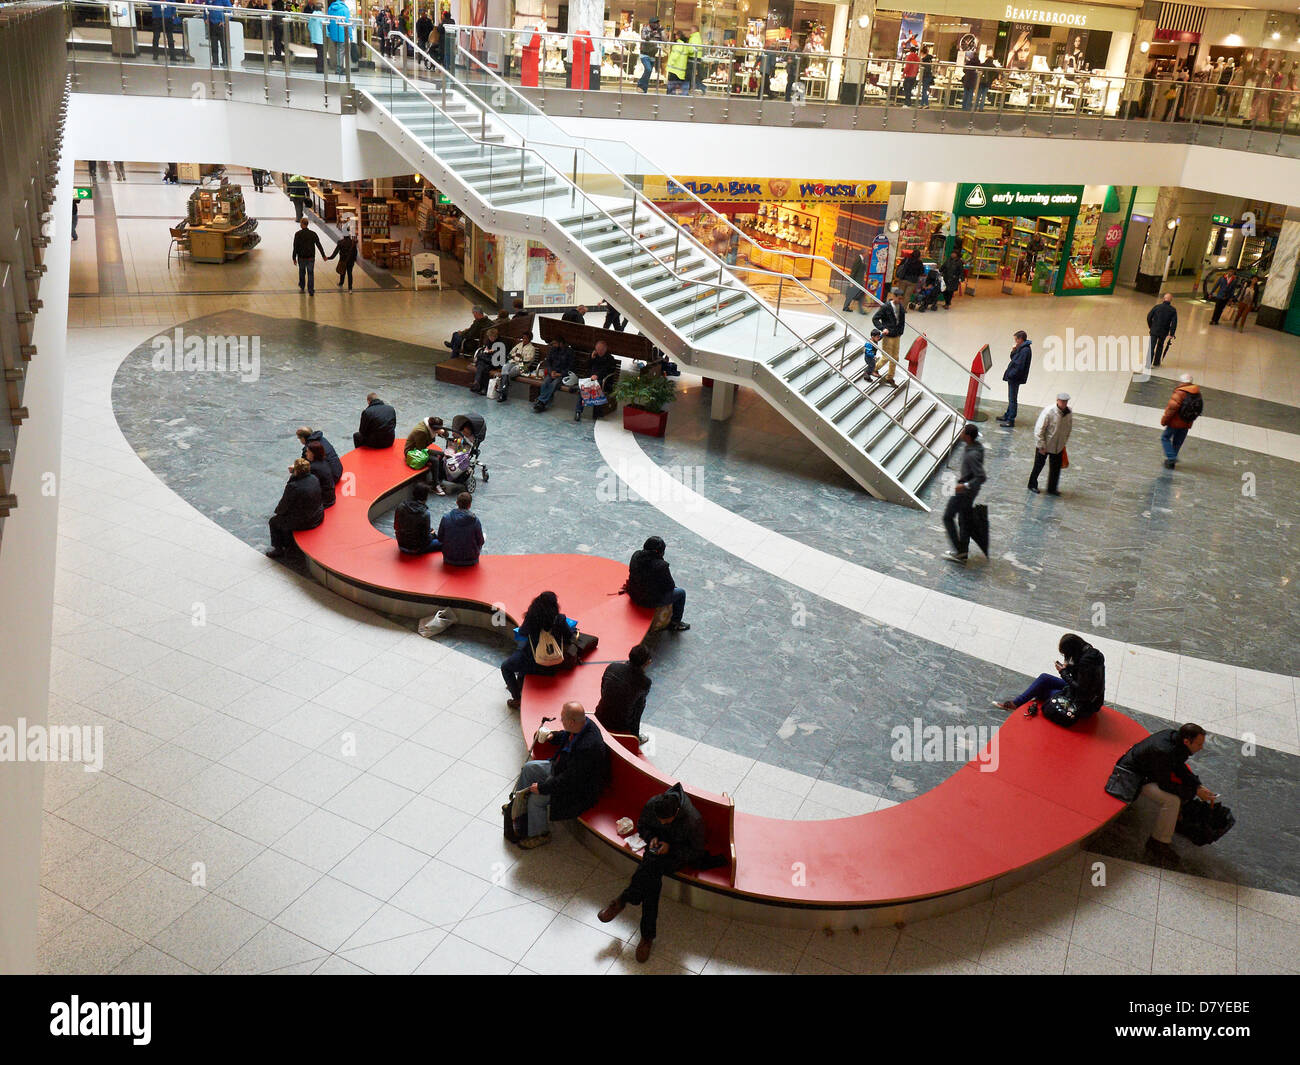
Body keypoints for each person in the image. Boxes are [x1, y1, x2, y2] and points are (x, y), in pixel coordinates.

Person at [598, 783, 709, 964]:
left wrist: (670, 848)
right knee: (651, 882)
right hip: (655, 850)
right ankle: (647, 936)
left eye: (666, 822)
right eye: (660, 821)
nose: (662, 824)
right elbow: (643, 825)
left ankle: (623, 900)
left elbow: (696, 851)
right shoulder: (654, 805)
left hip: (676, 855)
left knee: (649, 870)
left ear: (676, 813)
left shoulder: (692, 820)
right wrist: (651, 838)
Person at [1111, 723, 1217, 862]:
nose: (1201, 748)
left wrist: (1197, 785)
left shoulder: (1174, 738)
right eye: (1198, 744)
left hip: (1149, 771)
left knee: (1182, 790)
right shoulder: (1164, 751)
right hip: (1134, 776)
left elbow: (1178, 765)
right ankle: (1158, 842)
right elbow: (1165, 784)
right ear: (1187, 741)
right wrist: (1194, 792)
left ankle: (1172, 822)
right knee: (1172, 801)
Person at [511, 702, 610, 848]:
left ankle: (540, 834)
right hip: (562, 769)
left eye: (562, 718)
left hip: (578, 789)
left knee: (536, 799)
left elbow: (569, 779)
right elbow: (566, 735)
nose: (560, 720)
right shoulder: (582, 725)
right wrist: (553, 736)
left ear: (571, 721)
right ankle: (517, 805)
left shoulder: (588, 748)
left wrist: (543, 788)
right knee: (529, 768)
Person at [994, 633, 1106, 723]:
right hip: (1084, 694)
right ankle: (1016, 703)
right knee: (1044, 678)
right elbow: (1084, 677)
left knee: (1043, 691)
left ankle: (1018, 703)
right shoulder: (1090, 651)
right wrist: (1070, 667)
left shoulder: (1086, 663)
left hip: (1084, 704)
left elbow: (1080, 688)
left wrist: (1063, 672)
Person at [501, 591, 573, 710]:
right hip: (553, 664)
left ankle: (517, 698)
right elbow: (568, 636)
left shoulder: (532, 617)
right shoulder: (560, 619)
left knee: (506, 667)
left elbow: (523, 632)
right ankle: (520, 683)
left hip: (532, 661)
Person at [625, 536, 689, 631]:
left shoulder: (636, 555)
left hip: (634, 594)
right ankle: (675, 622)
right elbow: (670, 586)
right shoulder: (661, 566)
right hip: (649, 601)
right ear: (659, 551)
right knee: (681, 593)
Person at [942, 423, 985, 565]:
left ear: (967, 436)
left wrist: (964, 485)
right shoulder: (976, 447)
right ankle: (963, 552)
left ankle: (959, 550)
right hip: (969, 491)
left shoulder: (972, 454)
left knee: (948, 517)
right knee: (964, 520)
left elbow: (981, 476)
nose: (960, 433)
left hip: (964, 492)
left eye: (963, 431)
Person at [266, 457, 324, 559]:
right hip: (317, 515)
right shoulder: (314, 478)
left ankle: (278, 549)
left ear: (296, 470)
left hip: (305, 521)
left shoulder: (293, 486)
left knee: (274, 522)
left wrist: (278, 512)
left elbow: (284, 505)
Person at [595, 644, 653, 744]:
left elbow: (603, 689)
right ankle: (635, 737)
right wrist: (634, 737)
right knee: (639, 705)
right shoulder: (645, 682)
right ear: (647, 662)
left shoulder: (613, 667)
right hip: (621, 726)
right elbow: (637, 711)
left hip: (600, 716)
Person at [1028, 393, 1072, 496]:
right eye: (1062, 401)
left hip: (1058, 446)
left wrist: (1063, 442)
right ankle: (1032, 484)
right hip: (1045, 445)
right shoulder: (1049, 411)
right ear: (1057, 400)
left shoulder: (1068, 413)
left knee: (1055, 468)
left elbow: (1068, 428)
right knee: (1038, 465)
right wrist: (1041, 445)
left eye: (1065, 401)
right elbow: (1039, 429)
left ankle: (1052, 488)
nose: (1064, 403)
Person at [1160, 373, 1202, 469]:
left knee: (1165, 438)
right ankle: (1171, 463)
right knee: (1178, 442)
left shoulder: (1180, 392)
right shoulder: (1197, 393)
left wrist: (1164, 420)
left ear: (1181, 382)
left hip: (1175, 422)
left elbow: (1171, 408)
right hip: (1187, 422)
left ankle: (1171, 457)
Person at [575, 341, 618, 422]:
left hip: (604, 381)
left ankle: (581, 411)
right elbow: (586, 366)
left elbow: (607, 370)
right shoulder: (594, 355)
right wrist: (591, 358)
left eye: (601, 350)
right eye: (597, 349)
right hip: (590, 379)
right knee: (585, 388)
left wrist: (597, 375)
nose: (599, 351)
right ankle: (579, 411)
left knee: (585, 388)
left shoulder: (610, 359)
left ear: (605, 349)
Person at [870, 287, 906, 384]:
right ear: (894, 296)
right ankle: (874, 368)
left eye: (901, 299)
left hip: (896, 335)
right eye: (899, 298)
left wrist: (900, 332)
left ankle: (890, 376)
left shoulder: (901, 308)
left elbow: (902, 322)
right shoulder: (886, 307)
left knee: (895, 357)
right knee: (886, 357)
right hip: (888, 335)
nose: (900, 300)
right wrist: (882, 328)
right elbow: (875, 319)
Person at [437, 491, 484, 566]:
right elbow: (481, 541)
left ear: (456, 502)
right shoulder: (475, 521)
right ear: (470, 505)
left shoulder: (446, 518)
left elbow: (440, 538)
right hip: (471, 559)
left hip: (449, 558)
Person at [997, 330, 1032, 428]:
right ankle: (1007, 415)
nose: (1015, 341)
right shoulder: (1021, 348)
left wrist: (1011, 375)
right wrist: (1014, 350)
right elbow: (1013, 358)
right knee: (1011, 398)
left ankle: (1011, 420)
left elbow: (1019, 366)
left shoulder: (1025, 350)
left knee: (1013, 399)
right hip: (1014, 377)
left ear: (1021, 339)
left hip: (1015, 378)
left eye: (1016, 340)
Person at [394, 482, 440, 554]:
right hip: (416, 548)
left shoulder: (401, 506)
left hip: (401, 544)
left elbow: (396, 526)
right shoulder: (425, 513)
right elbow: (426, 538)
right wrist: (432, 535)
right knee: (443, 541)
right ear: (426, 497)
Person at [532, 338, 574, 412]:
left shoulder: (569, 352)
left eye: (555, 343)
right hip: (552, 373)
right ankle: (542, 403)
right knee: (545, 382)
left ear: (560, 343)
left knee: (554, 384)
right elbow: (548, 362)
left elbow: (570, 367)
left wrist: (560, 374)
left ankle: (541, 401)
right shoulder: (553, 350)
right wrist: (551, 371)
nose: (553, 345)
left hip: (562, 375)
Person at [291, 218, 327, 296]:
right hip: (311, 257)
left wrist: (294, 258)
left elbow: (295, 247)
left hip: (301, 257)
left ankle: (302, 286)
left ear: (302, 224)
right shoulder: (313, 234)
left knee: (302, 272)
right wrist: (323, 255)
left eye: (301, 223)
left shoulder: (298, 234)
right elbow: (318, 245)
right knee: (310, 273)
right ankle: (311, 290)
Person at [471, 327, 507, 395]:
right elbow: (486, 350)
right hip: (488, 360)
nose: (490, 338)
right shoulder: (488, 341)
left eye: (492, 337)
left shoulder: (501, 343)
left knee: (482, 362)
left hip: (496, 361)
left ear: (495, 336)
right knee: (482, 365)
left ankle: (479, 384)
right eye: (489, 337)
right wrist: (487, 352)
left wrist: (488, 352)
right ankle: (480, 386)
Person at [1146, 292, 1177, 368]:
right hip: (1164, 331)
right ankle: (1156, 362)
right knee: (1160, 346)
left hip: (1154, 330)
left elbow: (1149, 317)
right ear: (1171, 300)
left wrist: (1151, 326)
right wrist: (1171, 333)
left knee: (1151, 346)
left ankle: (1148, 364)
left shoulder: (1157, 307)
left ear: (1163, 299)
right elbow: (1174, 323)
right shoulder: (1173, 310)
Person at [305, 441, 337, 508]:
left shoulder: (313, 468)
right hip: (331, 495)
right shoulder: (324, 461)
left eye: (308, 451)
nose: (306, 453)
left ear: (313, 453)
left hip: (324, 501)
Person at [637, 16, 663, 93]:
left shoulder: (659, 31)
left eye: (657, 23)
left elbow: (665, 40)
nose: (657, 24)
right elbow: (643, 37)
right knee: (648, 69)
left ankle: (644, 89)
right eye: (655, 23)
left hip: (653, 55)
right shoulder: (645, 29)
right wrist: (651, 34)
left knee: (649, 72)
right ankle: (640, 84)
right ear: (650, 23)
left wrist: (662, 31)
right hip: (644, 54)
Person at [206, 0, 233, 67]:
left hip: (221, 25)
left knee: (223, 44)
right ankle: (215, 61)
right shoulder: (209, 1)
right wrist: (205, 18)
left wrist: (224, 21)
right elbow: (205, 8)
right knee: (213, 45)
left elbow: (230, 10)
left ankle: (225, 61)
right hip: (212, 24)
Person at [665, 30, 689, 95]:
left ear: (678, 36)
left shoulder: (678, 44)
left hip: (674, 70)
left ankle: (669, 100)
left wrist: (669, 65)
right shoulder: (685, 45)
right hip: (681, 71)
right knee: (680, 88)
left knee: (671, 89)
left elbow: (674, 56)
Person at [307, 3, 326, 75]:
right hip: (320, 38)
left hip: (314, 38)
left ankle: (319, 68)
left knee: (319, 53)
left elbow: (309, 26)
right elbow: (324, 27)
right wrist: (328, 34)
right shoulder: (322, 16)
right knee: (321, 53)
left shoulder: (312, 16)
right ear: (321, 8)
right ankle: (320, 68)